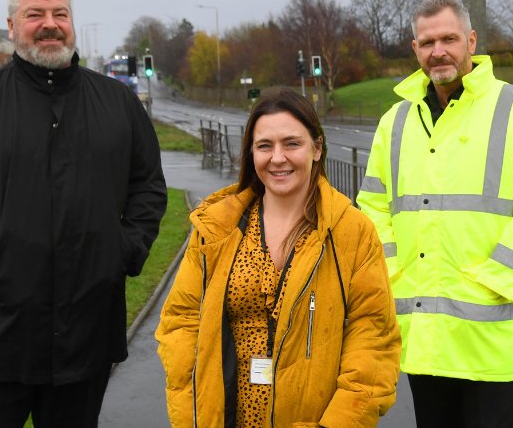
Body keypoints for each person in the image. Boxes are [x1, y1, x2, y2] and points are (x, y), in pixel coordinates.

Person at [0, 0, 168, 427]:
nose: (50, 24)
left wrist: (124, 251)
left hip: (85, 337)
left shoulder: (118, 103)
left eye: (60, 14)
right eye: (35, 14)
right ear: (12, 26)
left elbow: (148, 187)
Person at [356, 0, 513, 427]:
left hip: (485, 330)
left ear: (471, 41)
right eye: (428, 41)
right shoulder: (394, 122)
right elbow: (372, 206)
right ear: (415, 49)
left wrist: (497, 278)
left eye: (449, 38)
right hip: (420, 332)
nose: (438, 51)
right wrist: (390, 272)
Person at [156, 88, 400, 427]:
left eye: (292, 143)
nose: (278, 158)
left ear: (317, 148)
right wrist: (190, 413)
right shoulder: (217, 230)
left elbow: (373, 340)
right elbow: (180, 323)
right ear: (251, 153)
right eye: (265, 146)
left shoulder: (352, 233)